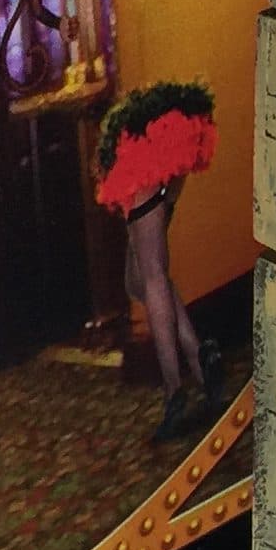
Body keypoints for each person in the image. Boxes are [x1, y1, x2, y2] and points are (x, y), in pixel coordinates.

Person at [92, 80, 219, 444]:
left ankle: (174, 391)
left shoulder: (125, 146)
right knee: (139, 279)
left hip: (145, 146)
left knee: (151, 275)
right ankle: (200, 357)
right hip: (171, 137)